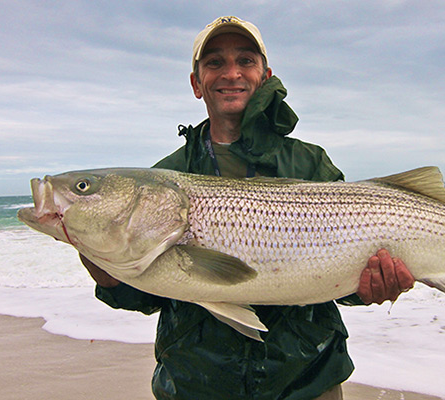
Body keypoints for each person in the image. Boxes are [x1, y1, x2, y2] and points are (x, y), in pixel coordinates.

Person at [80, 16, 415, 400]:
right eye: (215, 63)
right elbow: (146, 294)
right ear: (196, 83)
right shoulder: (169, 176)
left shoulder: (310, 164)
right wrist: (101, 261)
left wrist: (371, 287)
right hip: (196, 385)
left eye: (245, 60)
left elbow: (338, 282)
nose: (232, 73)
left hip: (307, 382)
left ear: (265, 74)